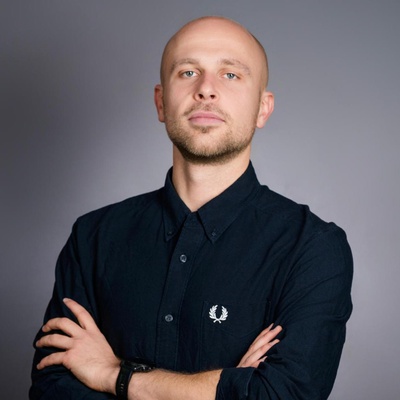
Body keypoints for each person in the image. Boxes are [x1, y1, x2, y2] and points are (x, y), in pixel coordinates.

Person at [30, 16, 353, 400]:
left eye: (230, 74)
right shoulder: (93, 236)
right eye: (188, 72)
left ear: (263, 109)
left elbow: (283, 395)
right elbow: (53, 390)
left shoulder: (312, 247)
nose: (206, 90)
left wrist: (114, 375)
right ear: (161, 102)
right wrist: (231, 387)